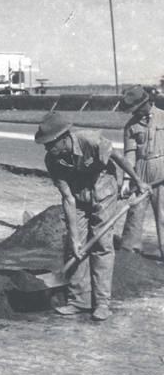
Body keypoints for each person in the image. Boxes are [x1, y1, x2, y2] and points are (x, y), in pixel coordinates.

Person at [35, 112, 149, 321]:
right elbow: (67, 198)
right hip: (78, 196)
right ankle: (79, 301)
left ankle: (102, 303)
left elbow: (119, 158)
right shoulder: (52, 160)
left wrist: (137, 181)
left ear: (63, 138)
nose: (47, 149)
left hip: (104, 190)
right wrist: (75, 236)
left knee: (101, 244)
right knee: (74, 247)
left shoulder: (91, 140)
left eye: (50, 144)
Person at [119, 85, 164, 260]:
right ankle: (129, 255)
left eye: (136, 109)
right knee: (134, 214)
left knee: (163, 215)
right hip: (140, 172)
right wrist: (126, 179)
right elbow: (129, 154)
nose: (134, 113)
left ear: (146, 103)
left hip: (162, 170)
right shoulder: (131, 126)